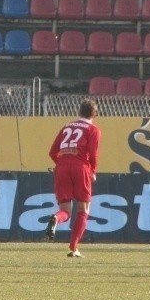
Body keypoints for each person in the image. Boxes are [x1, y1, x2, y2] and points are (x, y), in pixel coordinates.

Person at [44, 99, 101, 258]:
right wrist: (92, 171)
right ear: (95, 114)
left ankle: (55, 218)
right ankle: (73, 248)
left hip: (61, 167)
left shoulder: (67, 127)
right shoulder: (93, 130)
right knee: (83, 210)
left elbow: (52, 151)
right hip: (81, 167)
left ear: (78, 112)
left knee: (65, 211)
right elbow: (93, 154)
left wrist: (62, 163)